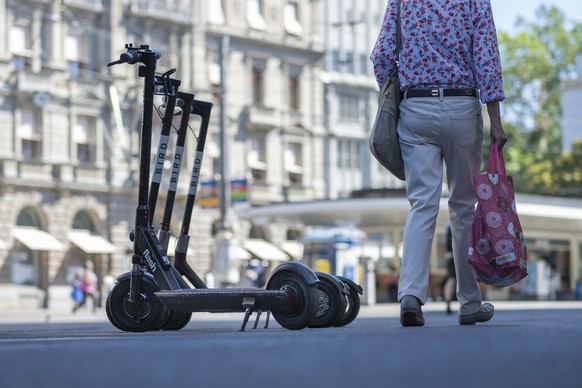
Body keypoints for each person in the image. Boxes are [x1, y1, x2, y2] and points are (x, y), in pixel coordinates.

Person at [371, 0, 507, 326]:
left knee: (422, 206)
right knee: (463, 208)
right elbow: (485, 54)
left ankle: (410, 296)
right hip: (462, 105)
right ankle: (470, 303)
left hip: (416, 107)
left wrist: (397, 91)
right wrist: (496, 120)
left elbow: (382, 55)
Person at [443, 223, 456, 315]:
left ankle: (448, 302)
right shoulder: (464, 218)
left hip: (450, 255)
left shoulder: (448, 225)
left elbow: (445, 241)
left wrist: (446, 253)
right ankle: (469, 304)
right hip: (463, 254)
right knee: (467, 278)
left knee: (451, 279)